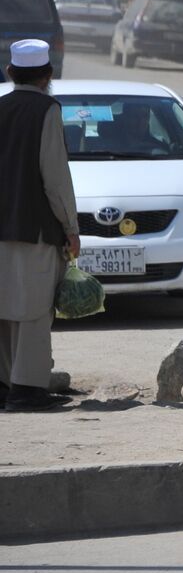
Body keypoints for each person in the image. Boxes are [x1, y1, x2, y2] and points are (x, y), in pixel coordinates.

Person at [0, 40, 78, 412]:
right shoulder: (48, 110)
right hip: (34, 230)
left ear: (10, 72)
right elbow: (55, 179)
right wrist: (71, 227)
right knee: (32, 310)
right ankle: (27, 389)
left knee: (3, 307)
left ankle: (5, 384)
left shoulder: (1, 106)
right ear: (47, 76)